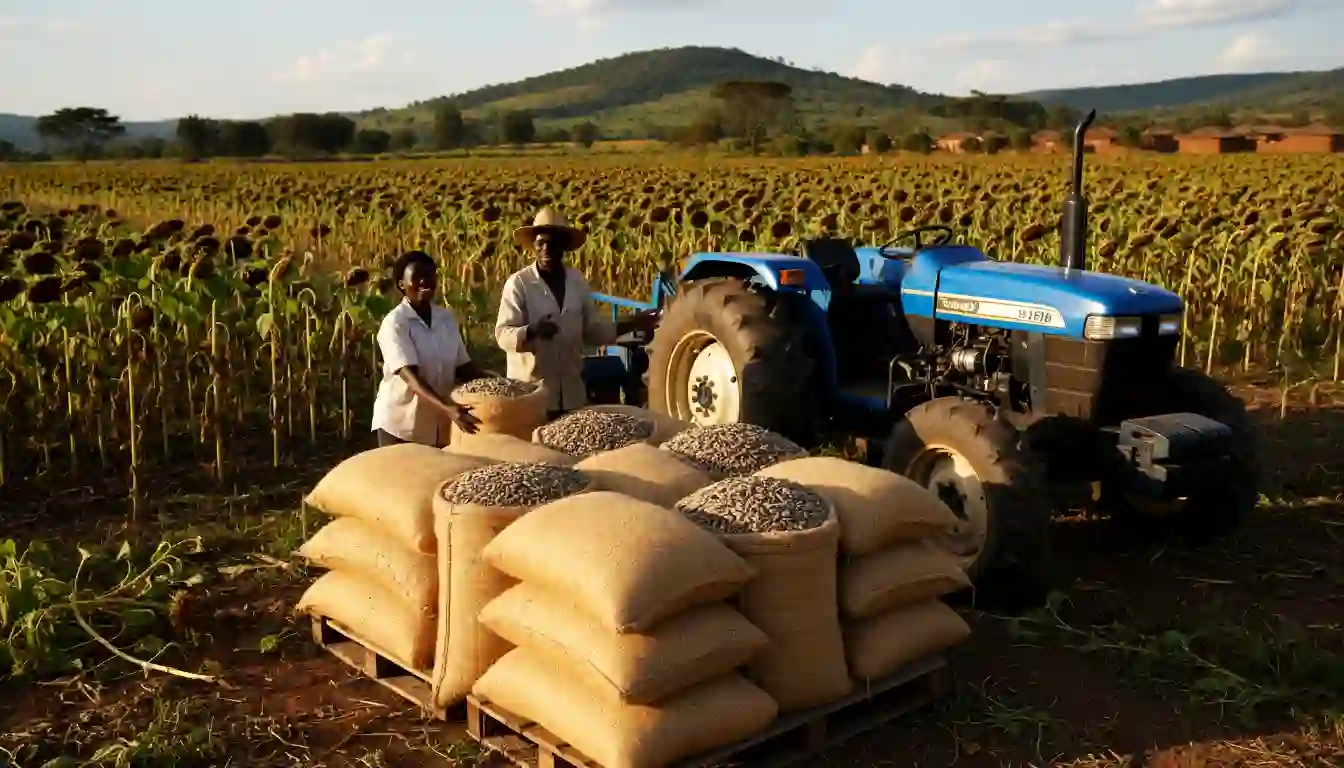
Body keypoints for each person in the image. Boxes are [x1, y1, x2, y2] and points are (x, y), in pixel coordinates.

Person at [495, 207, 657, 418]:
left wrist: (632, 323)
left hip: (571, 390)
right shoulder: (519, 283)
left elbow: (592, 331)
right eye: (540, 242)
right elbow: (502, 335)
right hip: (532, 391)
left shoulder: (576, 281)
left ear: (563, 246)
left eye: (552, 243)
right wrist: (532, 331)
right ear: (533, 246)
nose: (546, 248)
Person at [372, 250, 485, 447]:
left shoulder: (446, 319)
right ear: (401, 284)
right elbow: (410, 377)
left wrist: (497, 387)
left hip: (439, 426)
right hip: (402, 426)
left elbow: (463, 367)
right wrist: (448, 407)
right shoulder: (395, 323)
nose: (425, 282)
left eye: (429, 276)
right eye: (417, 277)